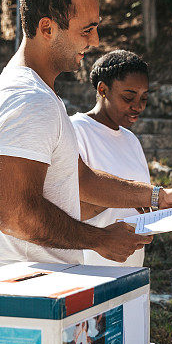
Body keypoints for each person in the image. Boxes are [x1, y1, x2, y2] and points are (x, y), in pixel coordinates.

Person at [0, 0, 172, 269]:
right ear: (47, 28)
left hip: (41, 286)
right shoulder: (30, 99)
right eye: (87, 29)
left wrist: (158, 197)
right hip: (28, 295)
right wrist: (100, 239)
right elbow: (16, 216)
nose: (96, 41)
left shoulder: (35, 93)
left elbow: (80, 179)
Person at [70, 50, 151, 267]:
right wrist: (130, 195)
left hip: (131, 268)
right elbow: (66, 208)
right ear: (102, 89)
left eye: (144, 98)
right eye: (128, 97)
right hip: (90, 270)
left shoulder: (132, 140)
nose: (138, 106)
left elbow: (141, 204)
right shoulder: (75, 131)